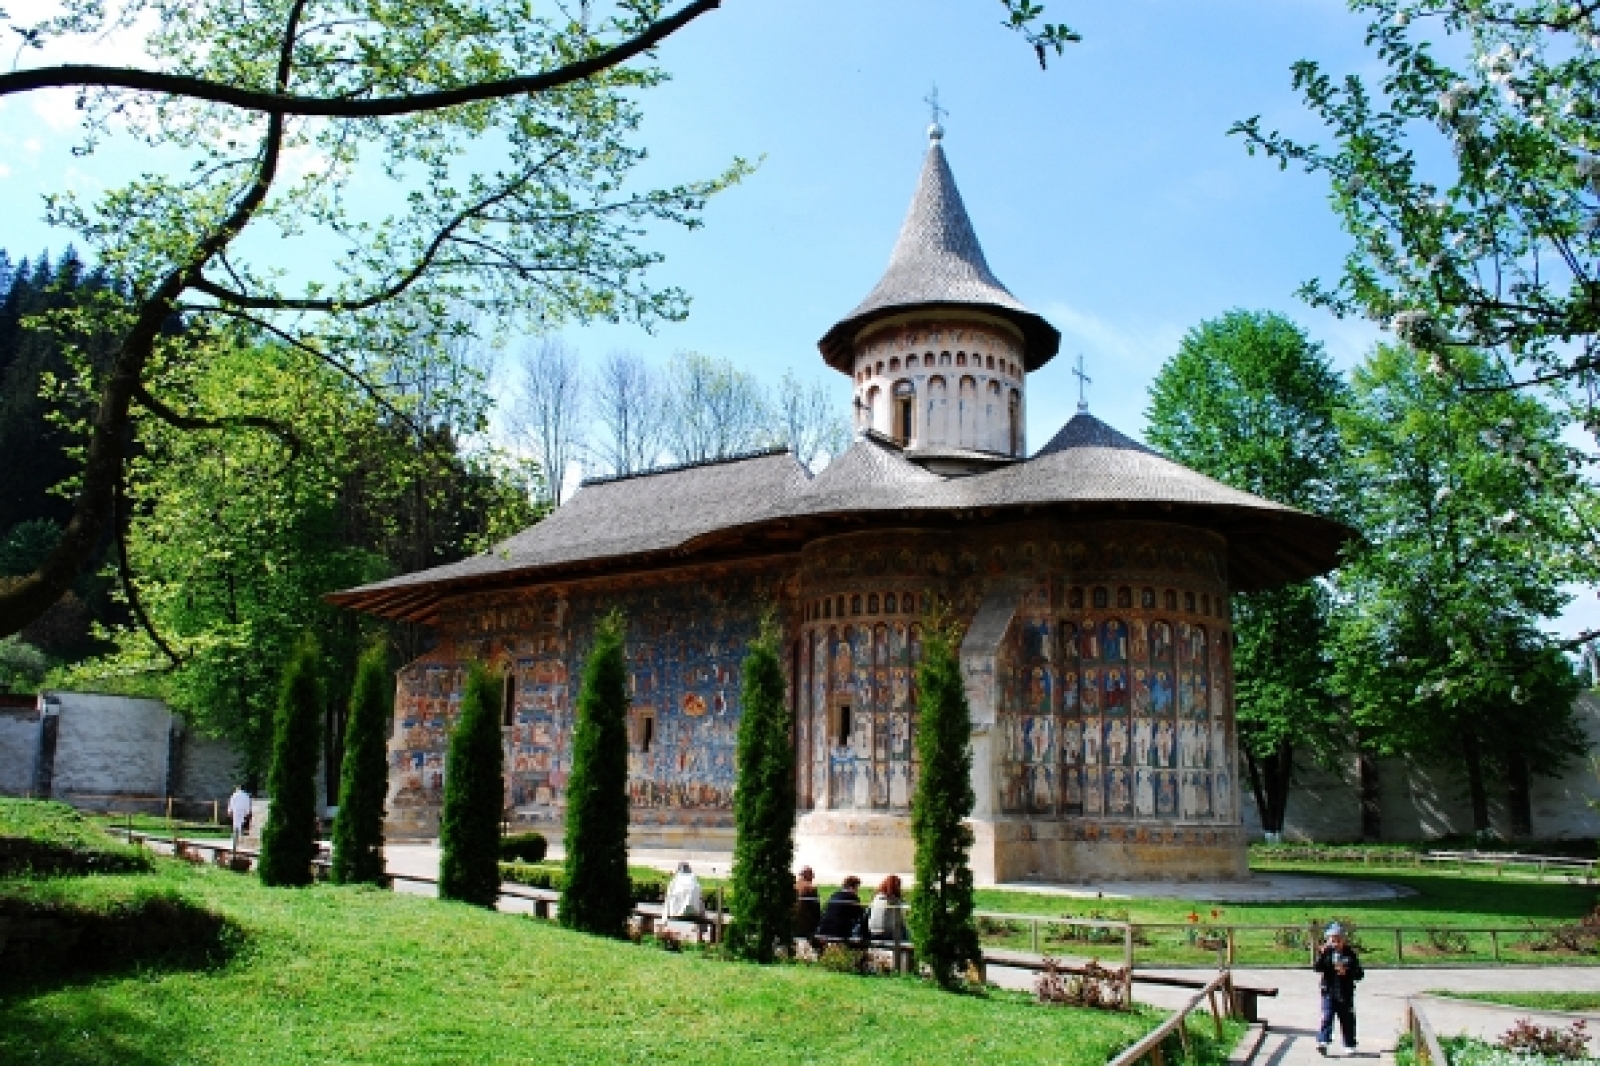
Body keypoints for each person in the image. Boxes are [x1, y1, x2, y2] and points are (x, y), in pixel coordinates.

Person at [1313, 922, 1364, 1055]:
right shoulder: (1327, 953)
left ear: (1343, 940)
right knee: (1327, 1016)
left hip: (1345, 992)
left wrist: (1347, 971)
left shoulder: (1350, 954)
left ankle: (1349, 1044)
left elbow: (1359, 974)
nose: (1335, 943)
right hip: (1329, 991)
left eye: (1338, 939)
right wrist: (1322, 955)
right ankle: (1323, 1042)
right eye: (1332, 940)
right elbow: (1317, 968)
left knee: (1347, 1019)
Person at [816, 875, 864, 943]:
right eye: (857, 888)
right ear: (852, 887)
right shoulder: (853, 898)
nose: (857, 891)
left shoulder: (834, 895)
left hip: (824, 930)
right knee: (860, 924)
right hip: (839, 932)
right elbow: (860, 915)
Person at [867, 874, 907, 944]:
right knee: (903, 929)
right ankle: (907, 951)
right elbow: (902, 917)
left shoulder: (876, 897)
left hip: (872, 930)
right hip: (887, 932)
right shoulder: (894, 899)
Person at [795, 866, 822, 941]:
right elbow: (817, 911)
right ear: (810, 877)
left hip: (792, 925)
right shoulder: (811, 889)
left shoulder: (792, 887)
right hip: (806, 927)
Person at [227, 785, 252, 854]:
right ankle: (239, 841)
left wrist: (229, 811)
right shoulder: (246, 795)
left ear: (238, 789)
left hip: (235, 811)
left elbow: (231, 803)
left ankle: (235, 841)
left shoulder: (234, 795)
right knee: (240, 825)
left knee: (236, 825)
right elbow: (248, 804)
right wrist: (247, 812)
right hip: (242, 811)